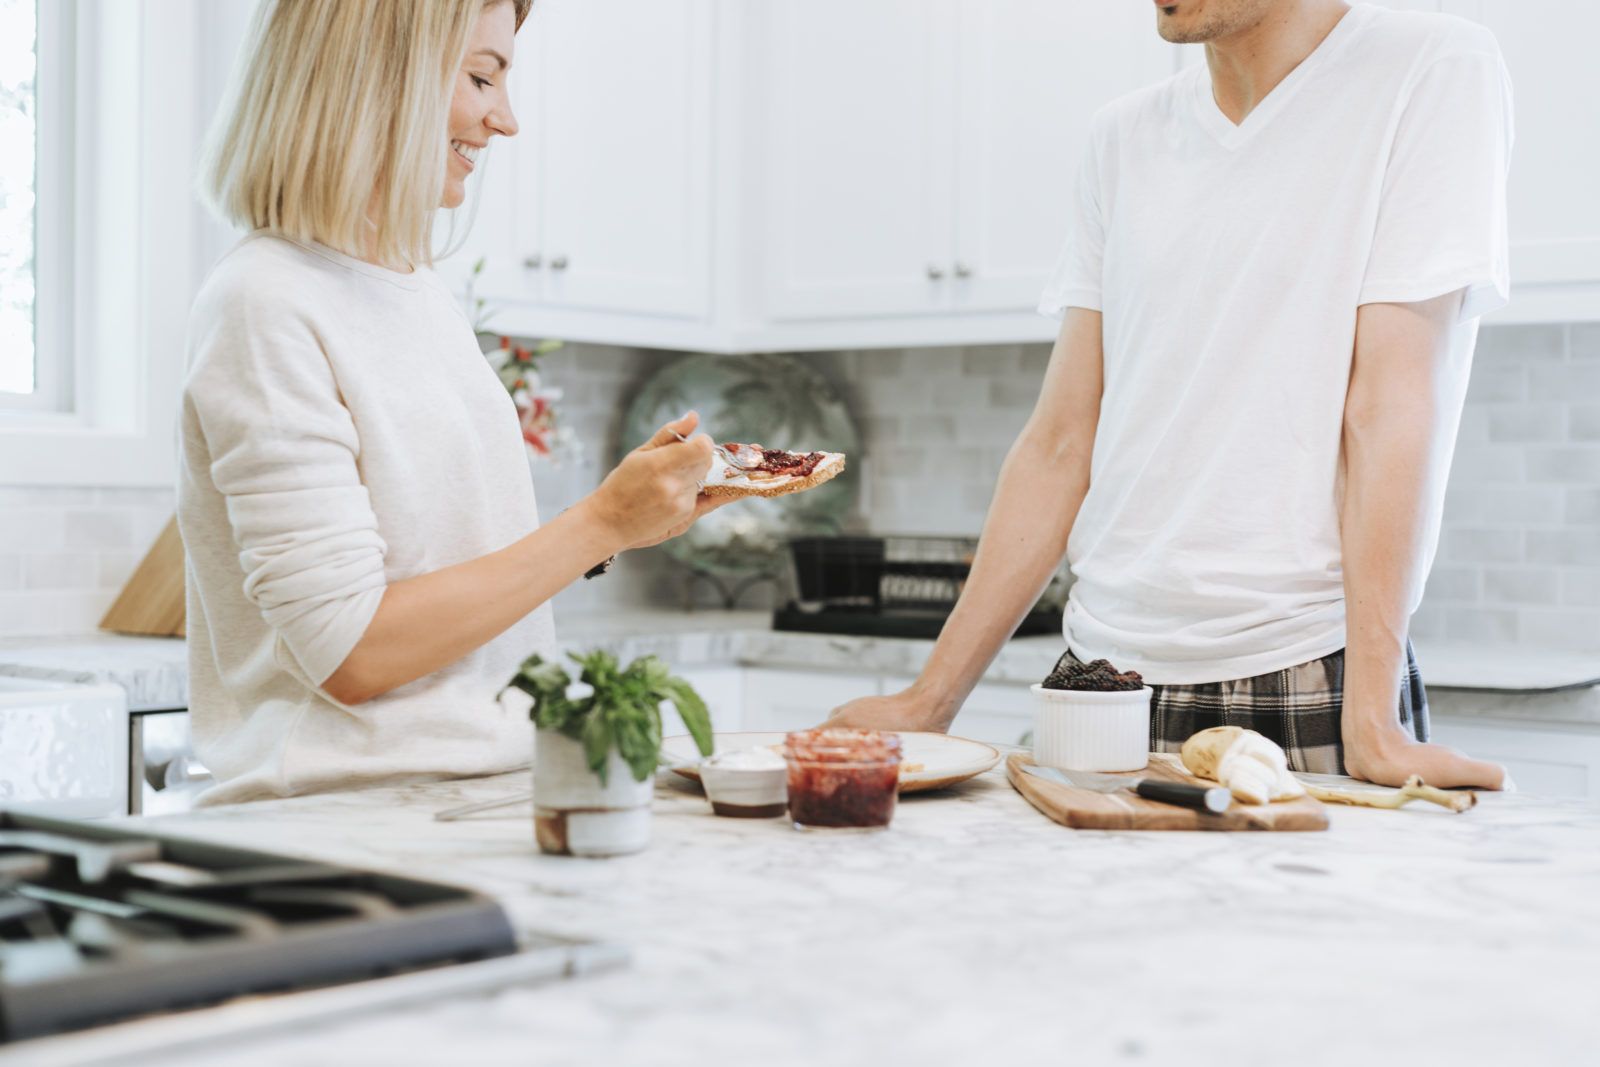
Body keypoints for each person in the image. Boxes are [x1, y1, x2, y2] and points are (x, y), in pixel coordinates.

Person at [830, 0, 1512, 790]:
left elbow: (1389, 408)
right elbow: (1059, 443)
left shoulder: (1426, 69)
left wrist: (1371, 722)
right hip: (1096, 677)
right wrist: (929, 699)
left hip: (1298, 672)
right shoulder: (1122, 139)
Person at [180, 0, 725, 805]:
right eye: (480, 76)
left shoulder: (418, 293)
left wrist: (630, 517)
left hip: (476, 797)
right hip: (340, 824)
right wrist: (600, 521)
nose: (503, 120)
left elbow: (453, 568)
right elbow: (352, 653)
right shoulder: (264, 300)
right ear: (375, 75)